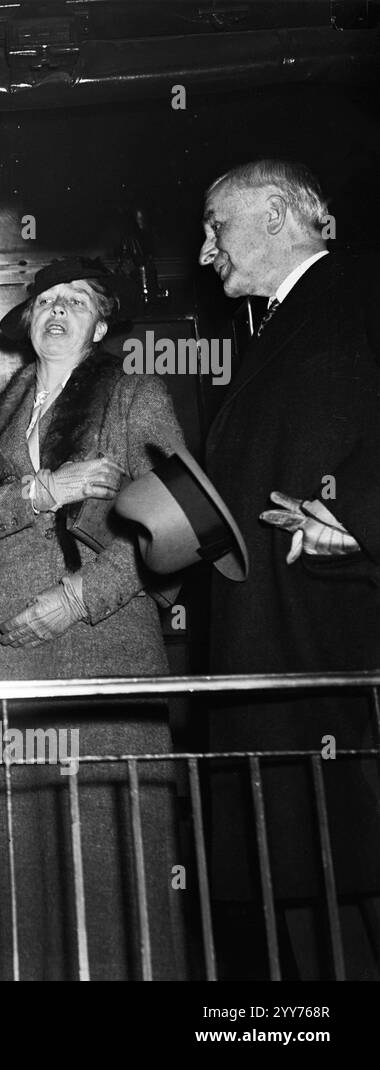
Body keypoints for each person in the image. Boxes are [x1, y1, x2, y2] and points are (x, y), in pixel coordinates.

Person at [0, 257, 186, 980]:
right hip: (5, 662)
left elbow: (183, 528)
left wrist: (76, 598)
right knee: (10, 859)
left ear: (101, 326)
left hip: (104, 651)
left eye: (75, 302)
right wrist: (40, 492)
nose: (56, 312)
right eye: (44, 301)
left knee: (111, 859)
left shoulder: (135, 398)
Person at [198, 159, 380, 979]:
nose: (205, 253)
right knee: (307, 902)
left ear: (276, 215)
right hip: (279, 657)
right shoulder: (278, 324)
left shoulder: (360, 290)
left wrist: (360, 517)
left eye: (215, 227)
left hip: (335, 646)